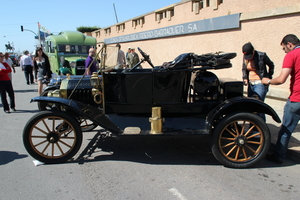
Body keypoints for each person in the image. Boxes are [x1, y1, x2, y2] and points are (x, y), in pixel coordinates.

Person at [261, 34, 300, 164]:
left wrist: (268, 81)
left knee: (286, 129)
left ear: (289, 44)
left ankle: (278, 156)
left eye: (284, 48)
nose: (285, 51)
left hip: (297, 98)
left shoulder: (292, 55)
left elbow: (281, 79)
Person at [242, 42, 275, 121]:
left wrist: (268, 77)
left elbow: (271, 65)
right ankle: (252, 126)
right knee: (251, 106)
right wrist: (245, 78)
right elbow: (244, 68)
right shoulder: (246, 57)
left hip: (260, 84)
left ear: (253, 51)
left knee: (259, 106)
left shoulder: (262, 55)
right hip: (251, 84)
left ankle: (261, 129)